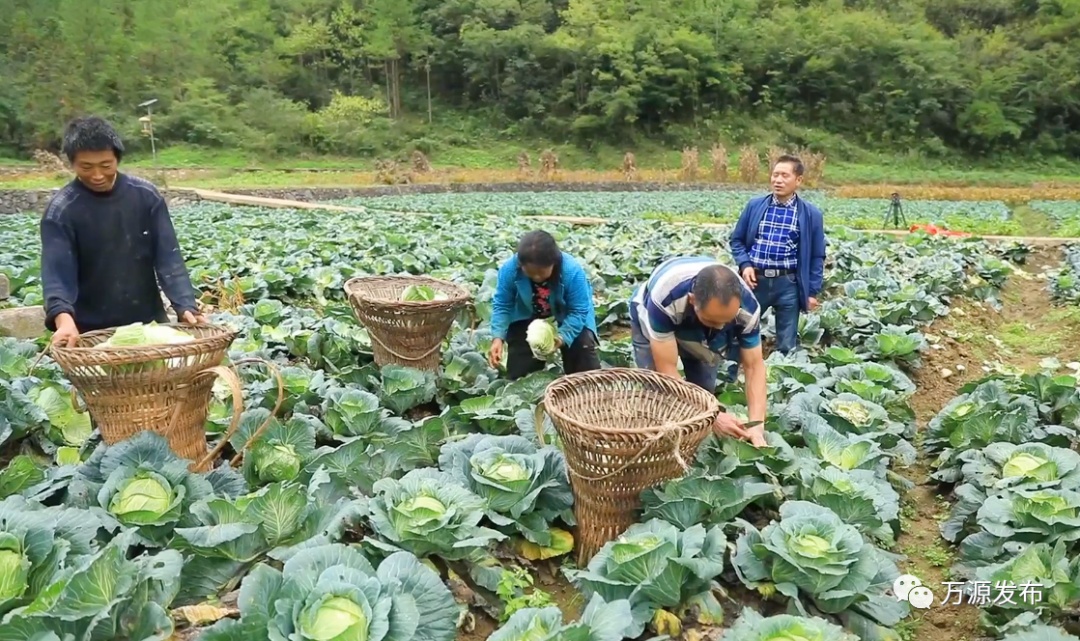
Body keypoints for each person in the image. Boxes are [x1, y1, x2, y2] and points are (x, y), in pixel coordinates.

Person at [41, 116, 205, 347]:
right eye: (86, 167)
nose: (97, 175)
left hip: (148, 327)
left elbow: (169, 258)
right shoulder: (61, 211)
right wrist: (64, 320)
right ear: (72, 164)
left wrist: (185, 305)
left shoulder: (146, 197)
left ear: (117, 158)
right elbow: (56, 274)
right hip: (90, 334)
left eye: (106, 165)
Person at [629, 257, 768, 446]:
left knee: (704, 389)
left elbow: (754, 366)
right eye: (713, 321)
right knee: (658, 393)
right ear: (692, 300)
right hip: (653, 318)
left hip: (696, 323)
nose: (720, 327)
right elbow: (667, 371)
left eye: (727, 321)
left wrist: (757, 426)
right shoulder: (665, 298)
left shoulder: (748, 309)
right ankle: (656, 446)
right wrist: (712, 416)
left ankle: (696, 448)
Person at [729, 154, 826, 355]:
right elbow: (736, 240)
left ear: (798, 180)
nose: (778, 180)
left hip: (788, 284)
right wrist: (745, 265)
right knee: (739, 335)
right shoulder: (754, 206)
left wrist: (812, 292)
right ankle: (726, 380)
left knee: (787, 344)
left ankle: (782, 382)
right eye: (775, 175)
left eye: (784, 175)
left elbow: (817, 255)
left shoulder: (811, 214)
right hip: (755, 281)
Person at [488, 230, 601, 379]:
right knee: (521, 364)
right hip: (527, 311)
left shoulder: (572, 271)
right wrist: (498, 337)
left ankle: (584, 389)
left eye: (541, 272)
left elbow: (578, 311)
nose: (536, 277)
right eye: (530, 272)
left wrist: (561, 338)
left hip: (569, 312)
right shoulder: (509, 270)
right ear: (520, 265)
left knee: (581, 346)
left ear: (553, 263)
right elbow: (503, 304)